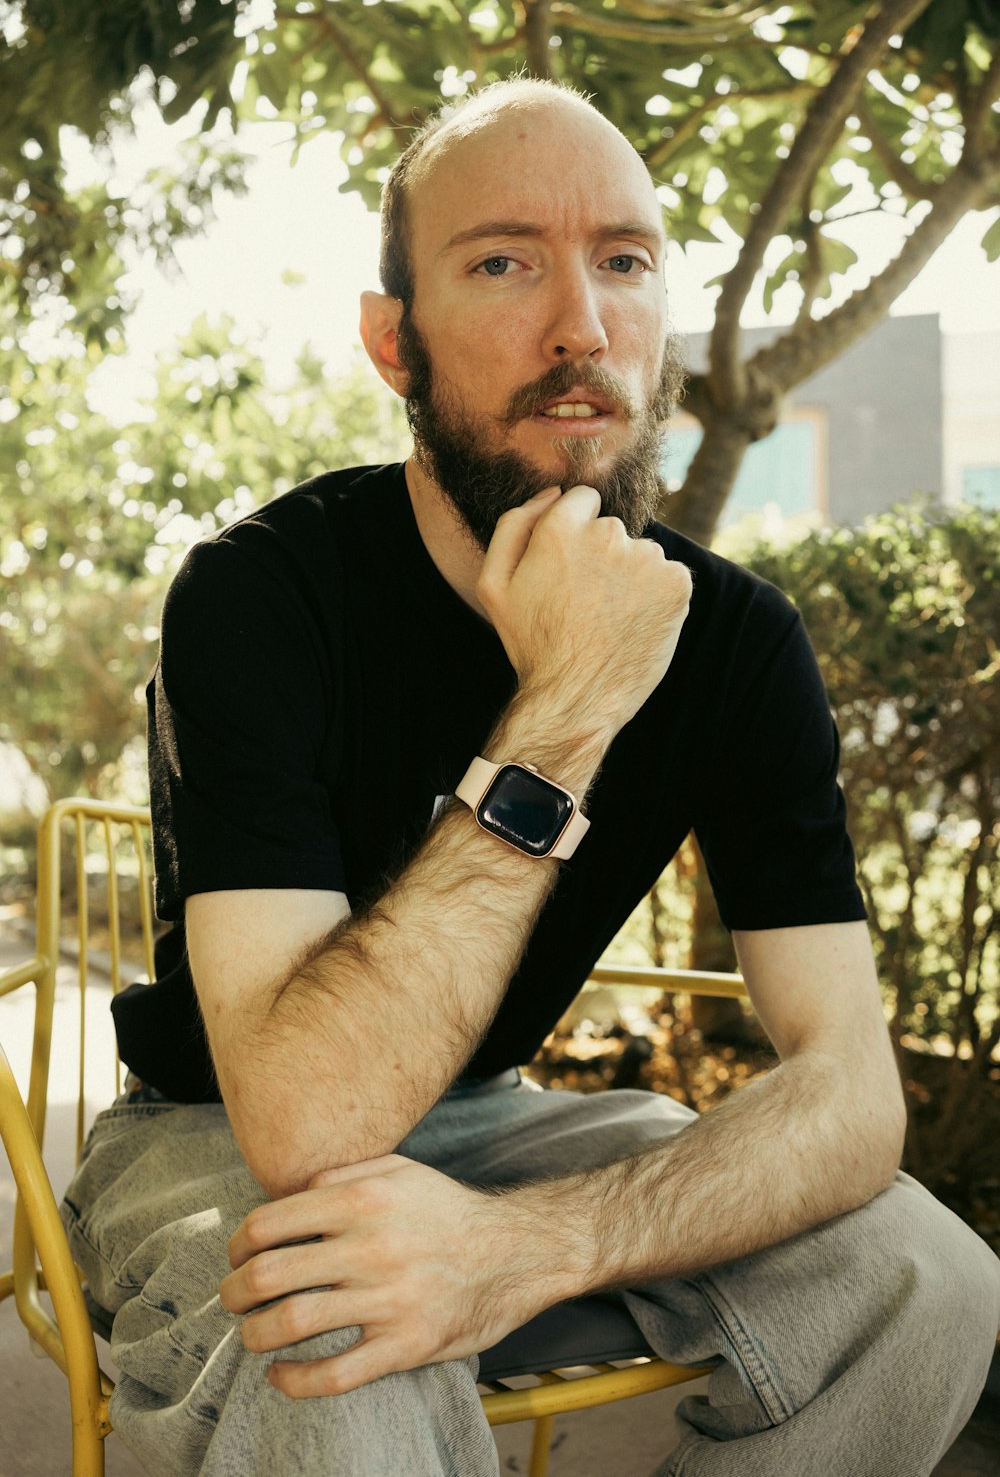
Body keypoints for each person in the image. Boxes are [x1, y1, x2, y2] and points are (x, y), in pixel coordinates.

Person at [62, 78, 999, 1477]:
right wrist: (565, 707)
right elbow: (307, 1123)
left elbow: (853, 1088)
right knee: (334, 1341)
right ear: (394, 340)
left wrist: (522, 1249)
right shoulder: (261, 596)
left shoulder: (737, 640)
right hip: (217, 1124)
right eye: (503, 262)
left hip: (500, 1122)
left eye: (624, 261)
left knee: (932, 1280)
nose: (584, 324)